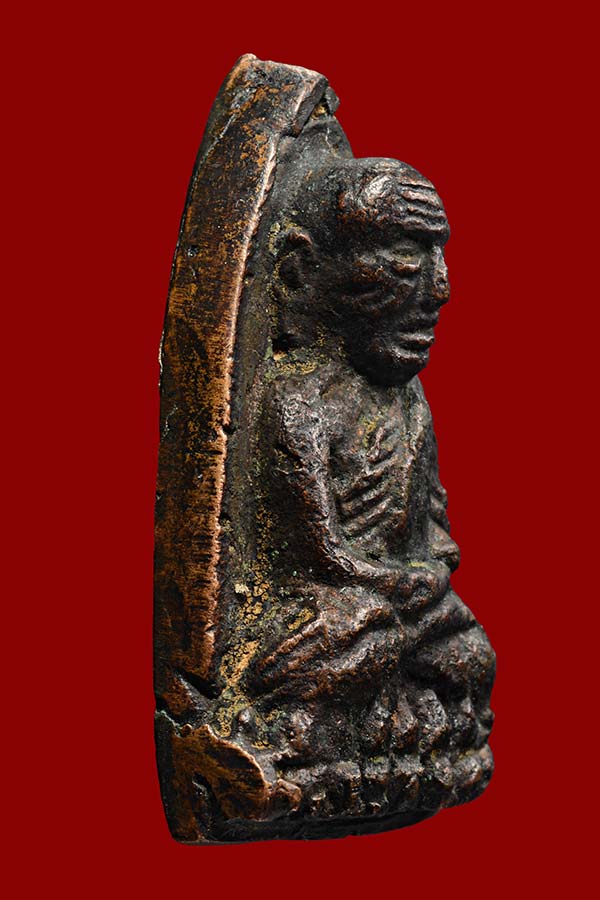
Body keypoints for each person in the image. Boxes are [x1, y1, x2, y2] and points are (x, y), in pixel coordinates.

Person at [241, 158, 494, 816]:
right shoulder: (297, 403)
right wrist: (391, 585)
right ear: (300, 272)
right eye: (405, 262)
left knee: (471, 652)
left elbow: (432, 534)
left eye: (438, 260)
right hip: (346, 606)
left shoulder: (409, 405)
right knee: (362, 632)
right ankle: (295, 742)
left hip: (400, 603)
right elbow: (320, 552)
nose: (440, 289)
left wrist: (428, 574)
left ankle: (400, 733)